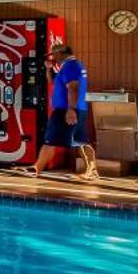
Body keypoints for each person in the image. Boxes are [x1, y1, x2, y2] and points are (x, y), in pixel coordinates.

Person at [24, 41, 97, 181]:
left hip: (68, 110)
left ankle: (37, 168)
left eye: (53, 55)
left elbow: (73, 88)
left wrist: (70, 109)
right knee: (72, 140)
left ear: (60, 53)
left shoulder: (70, 66)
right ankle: (38, 167)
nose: (52, 58)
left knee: (61, 140)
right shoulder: (68, 66)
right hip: (70, 109)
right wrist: (48, 69)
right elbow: (53, 82)